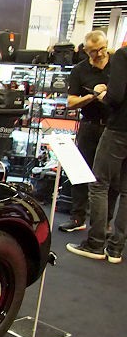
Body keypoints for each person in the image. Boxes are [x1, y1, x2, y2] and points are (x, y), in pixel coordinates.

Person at [66, 44, 127, 264]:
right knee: (125, 190)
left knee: (99, 183)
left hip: (118, 128)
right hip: (104, 128)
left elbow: (115, 96)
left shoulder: (123, 55)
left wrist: (101, 94)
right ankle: (116, 248)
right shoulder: (81, 69)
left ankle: (95, 244)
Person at [59, 30, 117, 232]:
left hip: (113, 128)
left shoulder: (118, 65)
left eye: (102, 48)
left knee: (111, 177)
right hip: (89, 125)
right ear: (85, 50)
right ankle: (77, 218)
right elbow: (71, 102)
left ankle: (105, 222)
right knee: (80, 172)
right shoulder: (80, 70)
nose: (99, 54)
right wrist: (93, 95)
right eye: (93, 51)